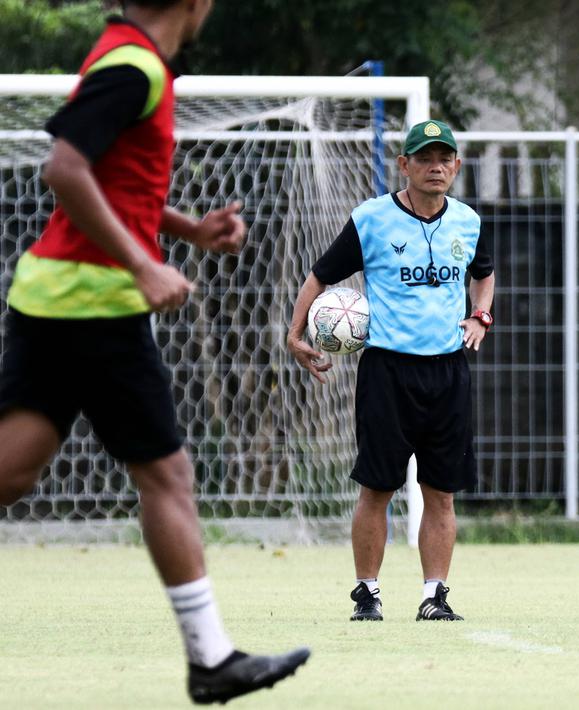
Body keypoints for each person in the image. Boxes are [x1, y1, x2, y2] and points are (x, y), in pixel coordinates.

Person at [0, 1, 309, 704]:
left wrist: (189, 231)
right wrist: (143, 265)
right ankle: (211, 660)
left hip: (62, 298)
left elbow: (111, 181)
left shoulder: (126, 52)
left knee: (11, 470)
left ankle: (210, 659)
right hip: (96, 302)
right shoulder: (135, 65)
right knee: (167, 476)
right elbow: (65, 169)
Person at [287, 119, 494, 623]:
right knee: (377, 488)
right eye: (424, 158)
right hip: (386, 372)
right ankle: (367, 592)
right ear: (404, 166)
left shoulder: (467, 221)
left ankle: (435, 595)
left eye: (445, 158)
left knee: (440, 492)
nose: (436, 166)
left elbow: (483, 277)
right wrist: (295, 335)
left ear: (457, 166)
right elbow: (317, 276)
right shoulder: (372, 220)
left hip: (447, 373)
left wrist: (480, 315)